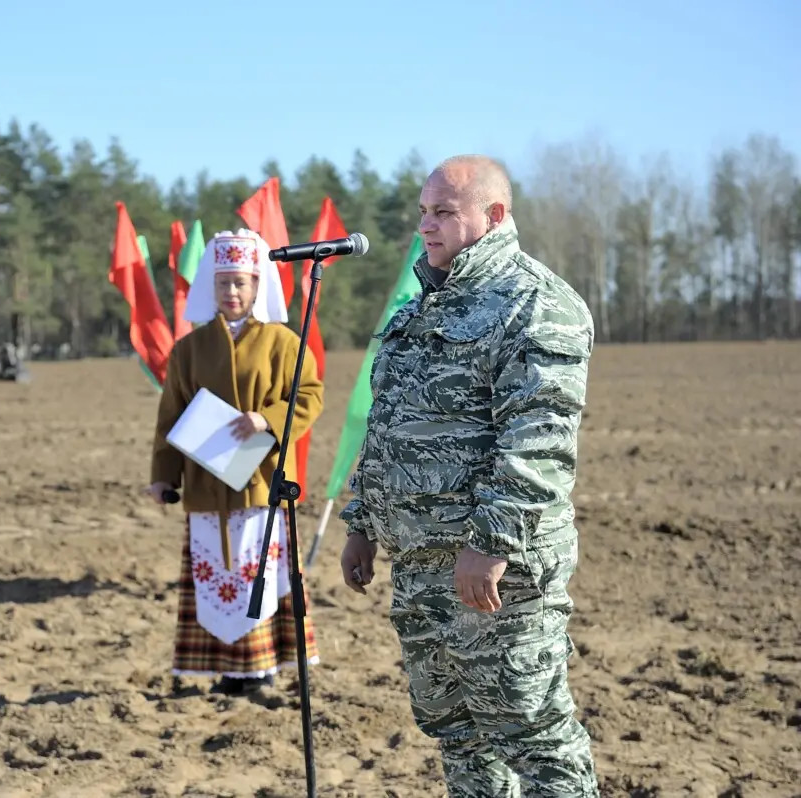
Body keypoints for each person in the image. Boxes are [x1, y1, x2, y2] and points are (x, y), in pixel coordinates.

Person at [339, 155, 600, 796]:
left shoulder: (536, 305)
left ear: (494, 215)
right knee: (460, 740)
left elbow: (536, 444)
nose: (426, 226)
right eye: (424, 212)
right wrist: (362, 525)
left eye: (444, 212)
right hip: (422, 571)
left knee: (535, 738)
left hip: (496, 576)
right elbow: (387, 431)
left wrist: (490, 543)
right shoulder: (416, 313)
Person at [147, 228, 323, 697]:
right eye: (224, 283)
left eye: (241, 282)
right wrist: (163, 478)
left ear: (257, 284)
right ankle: (223, 670)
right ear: (212, 286)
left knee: (255, 577)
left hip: (261, 484)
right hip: (206, 487)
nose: (232, 292)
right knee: (215, 580)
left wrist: (267, 420)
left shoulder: (284, 343)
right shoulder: (188, 349)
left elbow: (310, 396)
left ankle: (261, 668)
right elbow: (171, 415)